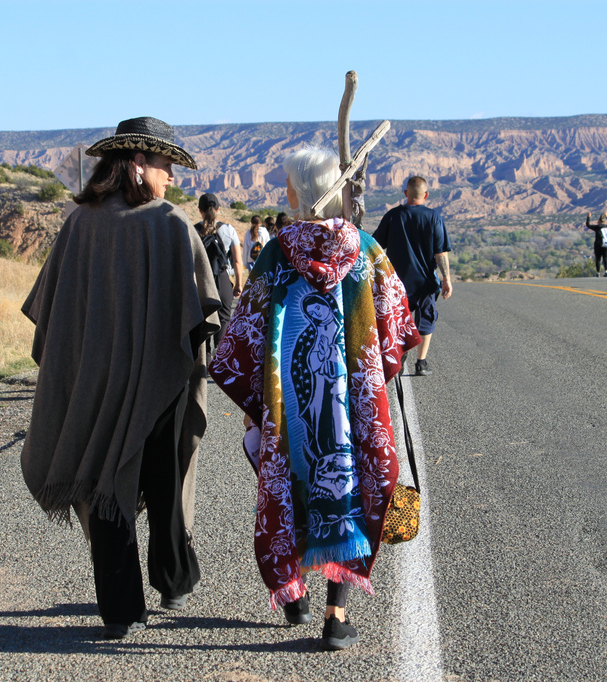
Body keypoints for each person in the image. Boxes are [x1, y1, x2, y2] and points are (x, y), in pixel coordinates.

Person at [208, 146, 421, 651]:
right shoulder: (368, 251)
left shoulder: (276, 254)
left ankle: (294, 595)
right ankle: (335, 614)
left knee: (289, 483)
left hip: (289, 410)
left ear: (294, 194)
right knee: (347, 488)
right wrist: (371, 379)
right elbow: (397, 327)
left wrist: (254, 401)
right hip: (352, 407)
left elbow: (245, 336)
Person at [19, 117, 221, 640]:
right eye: (165, 164)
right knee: (163, 478)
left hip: (94, 383)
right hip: (162, 384)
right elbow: (202, 314)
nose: (172, 176)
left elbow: (52, 313)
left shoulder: (79, 223)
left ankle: (119, 608)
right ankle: (172, 577)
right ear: (137, 164)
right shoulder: (172, 225)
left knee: (105, 479)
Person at [372, 175, 452, 376]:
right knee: (426, 320)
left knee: (398, 322)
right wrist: (447, 279)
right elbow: (440, 253)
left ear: (406, 193)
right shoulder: (434, 218)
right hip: (426, 282)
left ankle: (398, 360)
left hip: (397, 283)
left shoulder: (393, 216)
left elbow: (376, 246)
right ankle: (421, 363)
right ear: (426, 195)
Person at [195, 193, 244, 349]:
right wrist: (238, 284)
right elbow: (237, 260)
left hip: (200, 281)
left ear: (200, 210)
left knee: (201, 321)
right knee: (223, 319)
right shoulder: (228, 230)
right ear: (218, 209)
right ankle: (220, 359)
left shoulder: (193, 230)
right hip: (222, 279)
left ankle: (204, 361)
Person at [584, 212, 607, 277]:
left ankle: (598, 272)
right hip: (606, 244)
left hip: (598, 244)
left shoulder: (597, 227)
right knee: (605, 258)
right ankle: (606, 271)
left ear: (599, 221)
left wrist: (588, 217)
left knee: (598, 258)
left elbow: (588, 225)